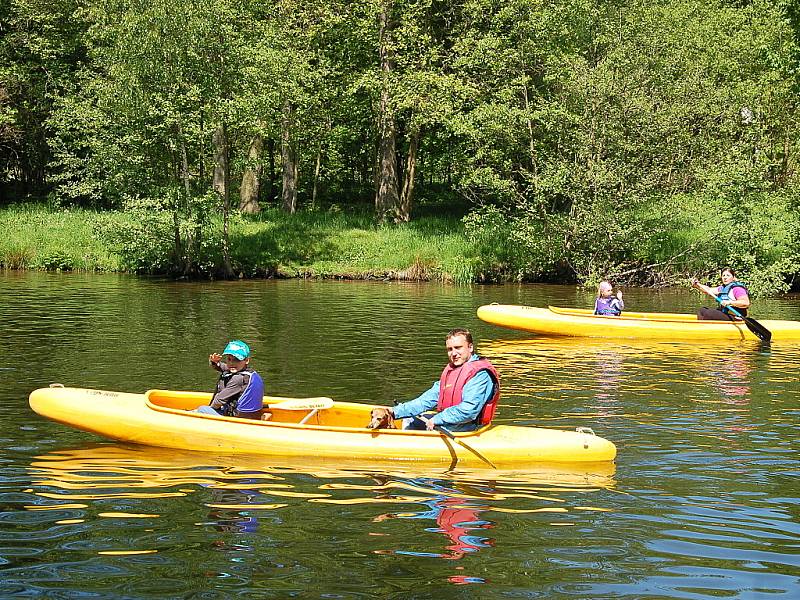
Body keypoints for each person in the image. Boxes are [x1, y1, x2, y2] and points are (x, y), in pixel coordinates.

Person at [388, 328, 500, 432]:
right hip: (449, 423)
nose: (454, 353)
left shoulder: (480, 375)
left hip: (467, 429)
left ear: (470, 347)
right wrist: (394, 412)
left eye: (458, 347)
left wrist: (437, 419)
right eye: (450, 349)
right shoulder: (453, 370)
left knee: (423, 424)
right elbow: (425, 401)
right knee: (409, 419)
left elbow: (469, 411)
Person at [195, 340, 264, 419]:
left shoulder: (237, 379)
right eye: (229, 359)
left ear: (246, 360)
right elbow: (225, 368)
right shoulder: (247, 372)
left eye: (236, 360)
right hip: (253, 416)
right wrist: (215, 363)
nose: (232, 363)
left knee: (202, 409)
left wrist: (206, 410)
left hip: (239, 421)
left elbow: (218, 402)